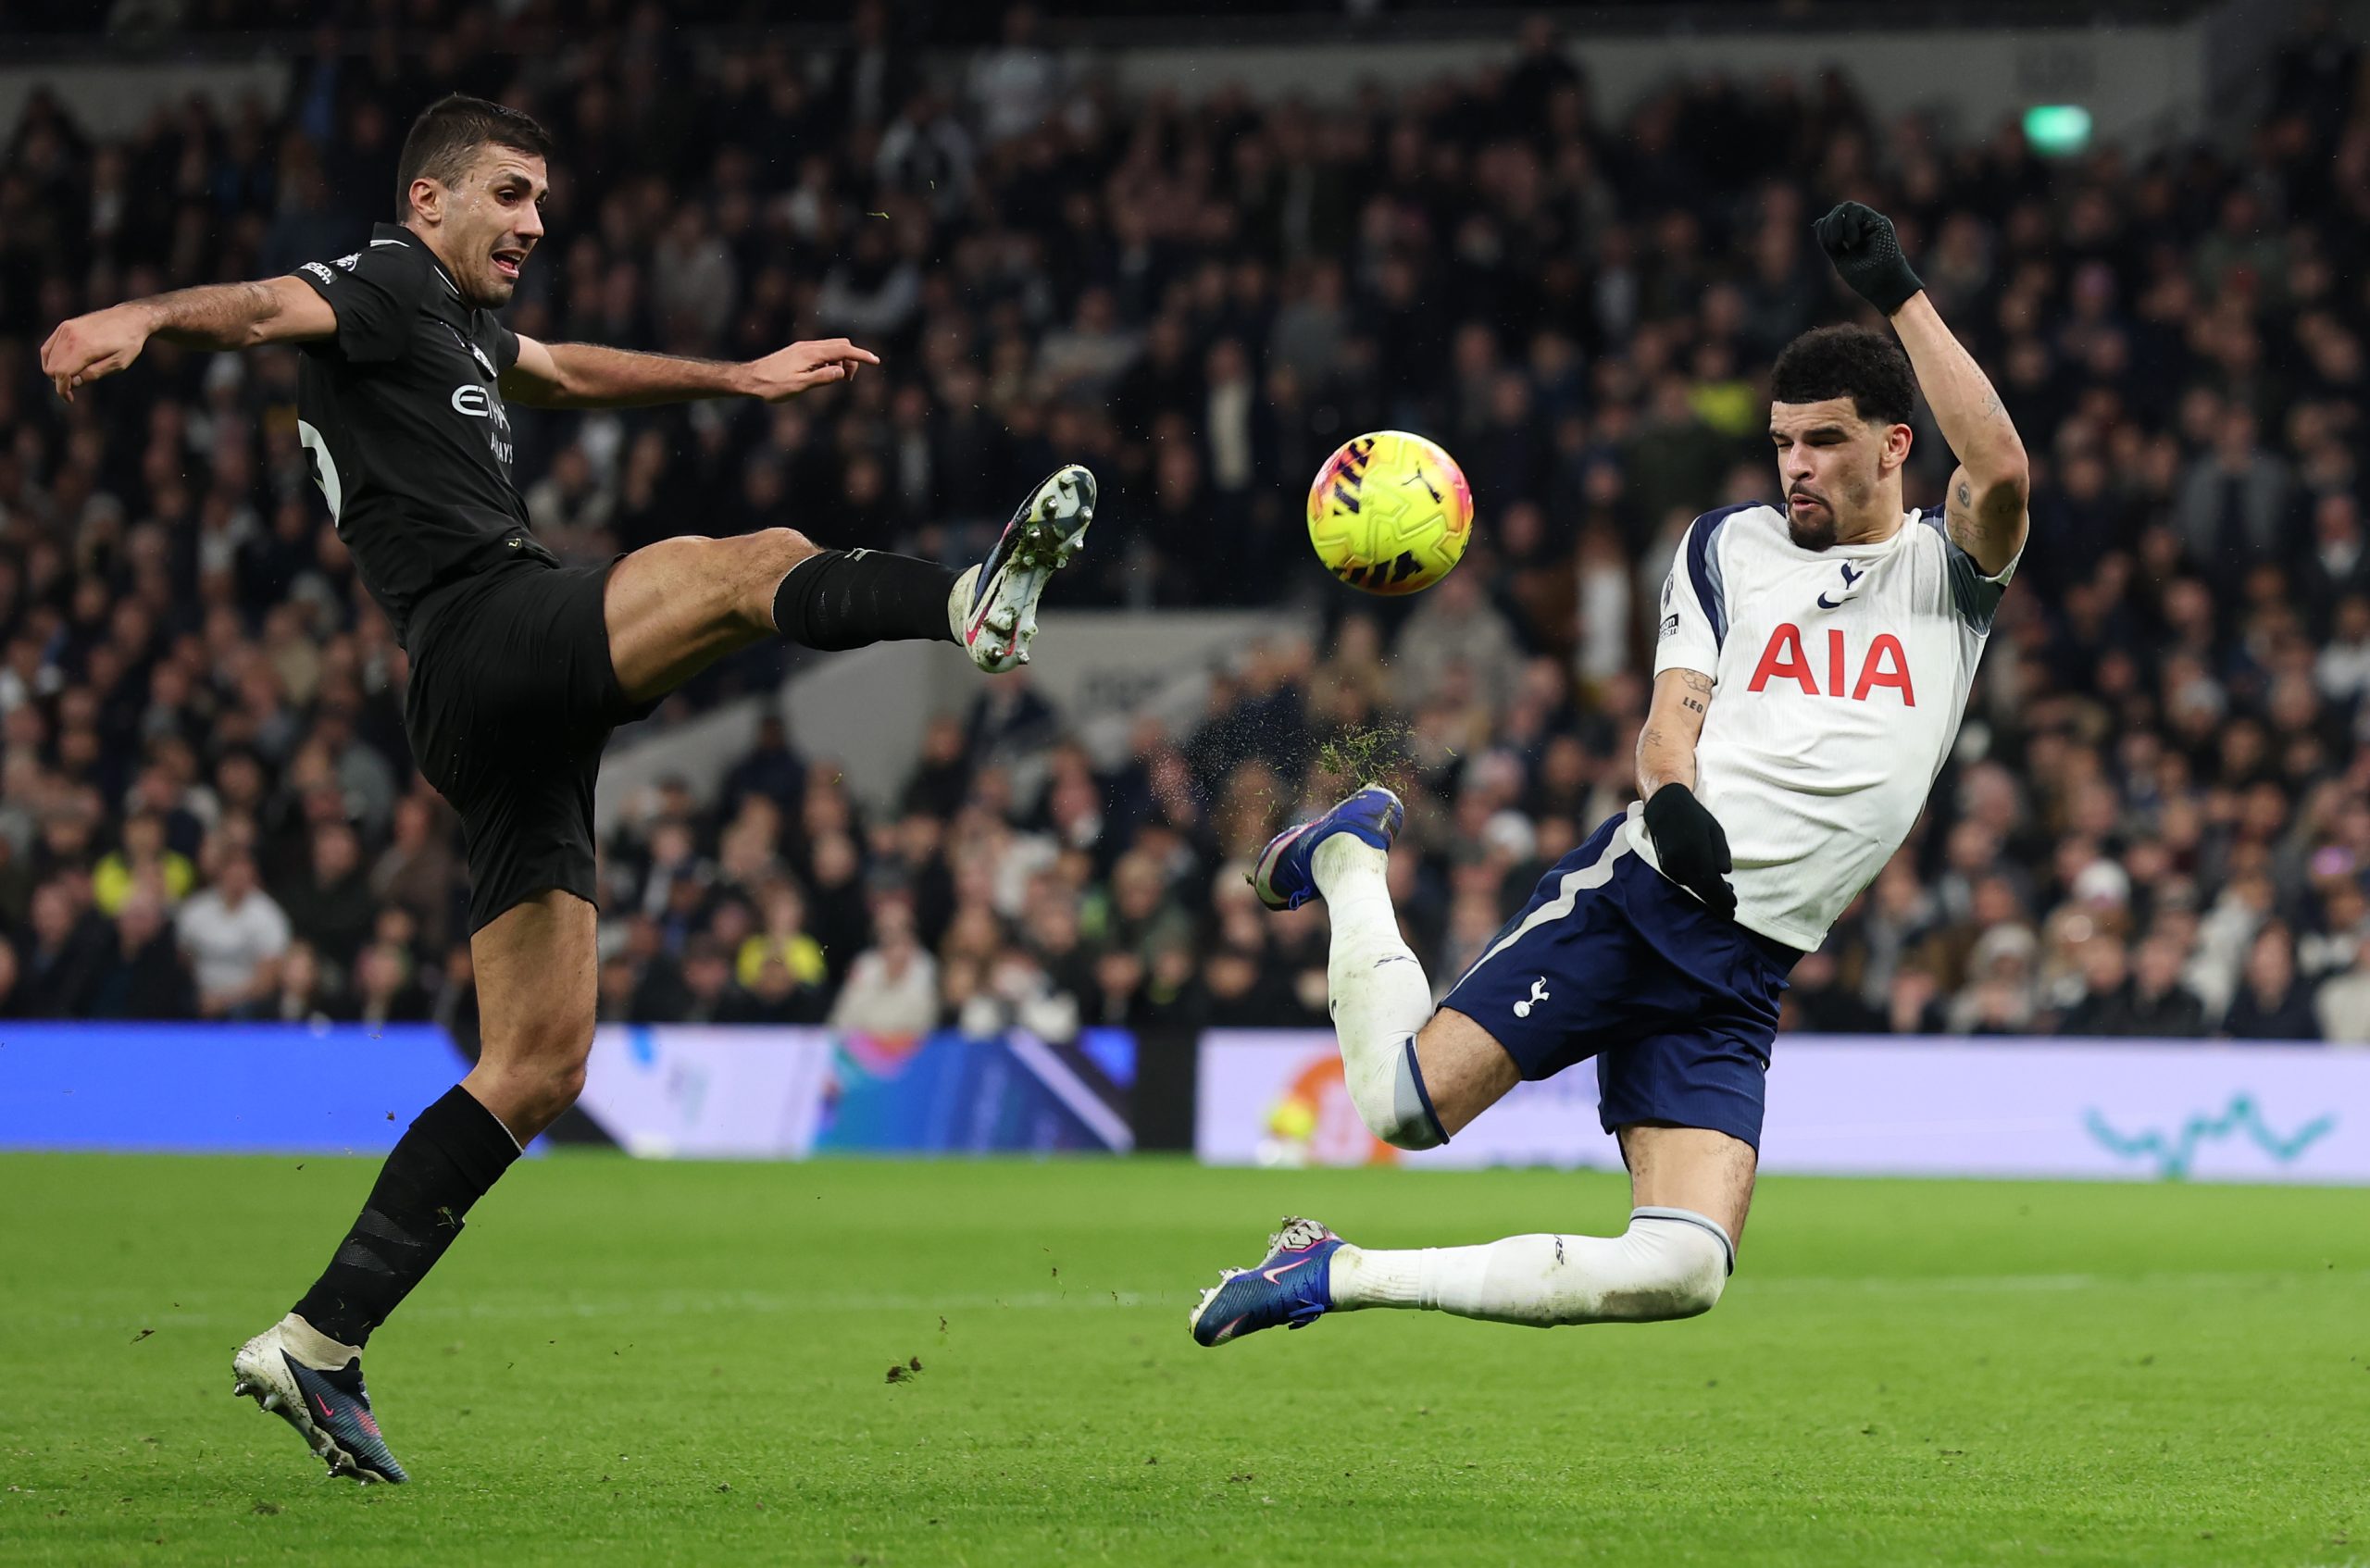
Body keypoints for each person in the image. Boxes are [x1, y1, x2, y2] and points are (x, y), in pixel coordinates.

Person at [40, 93, 1096, 1483]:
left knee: (540, 1062)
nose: (536, 223)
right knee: (749, 559)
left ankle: (319, 1340)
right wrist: (138, 314)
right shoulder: (382, 281)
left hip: (492, 703)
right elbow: (251, 310)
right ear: (430, 201)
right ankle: (964, 597)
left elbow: (564, 373)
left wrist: (738, 377)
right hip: (479, 636)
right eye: (513, 195)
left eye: (540, 200)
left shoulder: (460, 322)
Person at [1191, 203, 2029, 1347]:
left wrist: (1899, 294)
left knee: (1680, 1267)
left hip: (1749, 962)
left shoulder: (1948, 570)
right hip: (1646, 901)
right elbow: (1668, 719)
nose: (1795, 465)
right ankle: (1347, 856)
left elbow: (2003, 462)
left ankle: (1331, 1270)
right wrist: (1672, 801)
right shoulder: (1727, 545)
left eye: (1824, 441)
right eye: (1781, 441)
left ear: (1894, 444)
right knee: (1399, 1106)